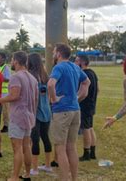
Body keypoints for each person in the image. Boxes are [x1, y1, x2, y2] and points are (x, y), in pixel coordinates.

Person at [47, 43, 90, 181]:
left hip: (62, 111)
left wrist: (53, 99)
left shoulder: (58, 67)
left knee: (60, 148)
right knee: (71, 147)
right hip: (75, 110)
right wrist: (78, 97)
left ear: (59, 53)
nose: (53, 54)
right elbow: (86, 82)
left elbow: (50, 84)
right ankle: (74, 178)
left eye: (54, 52)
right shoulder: (75, 67)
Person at [0, 51, 38, 181]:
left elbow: (14, 95)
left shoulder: (16, 77)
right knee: (26, 146)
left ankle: (14, 177)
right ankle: (27, 174)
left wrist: (0, 100)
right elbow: (35, 99)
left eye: (13, 59)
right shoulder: (32, 78)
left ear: (16, 61)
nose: (11, 62)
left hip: (18, 116)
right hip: (29, 116)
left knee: (17, 148)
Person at [27, 53, 53, 176]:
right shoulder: (45, 75)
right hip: (46, 111)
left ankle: (35, 168)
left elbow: (33, 97)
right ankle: (48, 165)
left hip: (36, 112)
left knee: (35, 140)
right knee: (45, 138)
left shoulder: (31, 76)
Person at [75, 55, 99, 162]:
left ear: (82, 62)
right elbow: (98, 89)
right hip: (91, 105)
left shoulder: (83, 74)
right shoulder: (93, 73)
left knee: (85, 129)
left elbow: (82, 92)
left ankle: (86, 153)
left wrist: (77, 100)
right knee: (90, 127)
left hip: (84, 105)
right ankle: (93, 152)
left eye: (76, 61)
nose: (75, 63)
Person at [0, 52, 11, 133]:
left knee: (6, 111)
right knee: (0, 111)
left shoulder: (6, 68)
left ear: (3, 59)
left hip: (5, 93)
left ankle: (7, 126)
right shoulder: (0, 68)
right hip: (0, 93)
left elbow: (8, 79)